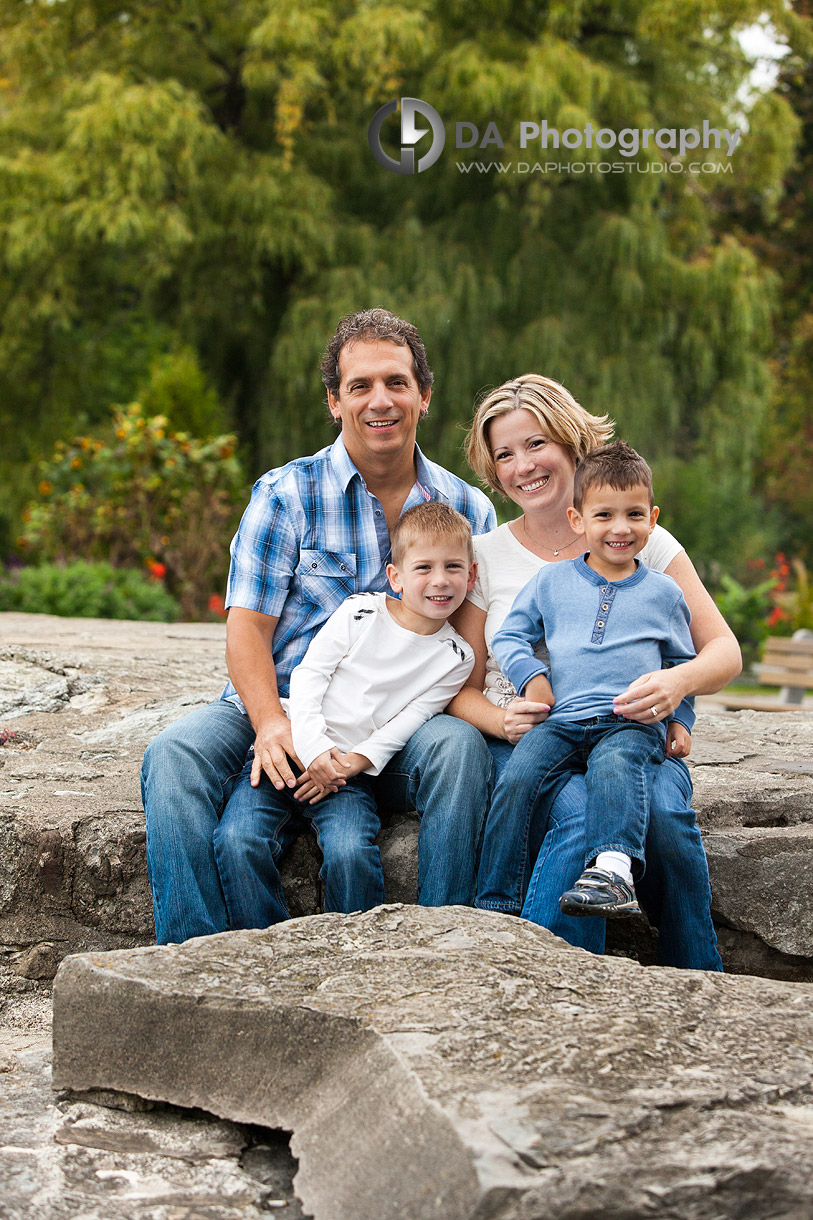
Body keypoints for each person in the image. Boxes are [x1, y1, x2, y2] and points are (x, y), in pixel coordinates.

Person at [141, 308, 496, 945]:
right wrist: (274, 724)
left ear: (424, 394)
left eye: (396, 382)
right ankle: (195, 957)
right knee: (173, 755)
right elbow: (246, 633)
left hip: (394, 723)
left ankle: (445, 947)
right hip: (281, 699)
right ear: (335, 401)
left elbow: (466, 658)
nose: (379, 400)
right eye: (359, 386)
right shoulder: (286, 495)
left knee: (460, 748)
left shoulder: (467, 510)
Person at [448, 375, 741, 969]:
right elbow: (458, 685)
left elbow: (721, 653)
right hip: (539, 734)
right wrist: (505, 718)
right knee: (583, 814)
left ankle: (698, 975)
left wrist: (676, 690)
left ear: (571, 443)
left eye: (535, 445)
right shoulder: (487, 554)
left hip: (632, 728)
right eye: (504, 454)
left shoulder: (646, 542)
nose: (522, 466)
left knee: (662, 811)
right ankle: (550, 978)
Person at [212, 502, 476, 928]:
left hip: (345, 777)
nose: (440, 580)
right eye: (423, 567)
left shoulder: (456, 656)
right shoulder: (361, 612)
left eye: (453, 567)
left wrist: (353, 764)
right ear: (396, 577)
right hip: (287, 754)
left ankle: (355, 954)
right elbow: (309, 676)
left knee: (351, 852)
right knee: (238, 841)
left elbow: (413, 717)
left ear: (472, 575)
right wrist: (314, 750)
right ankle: (265, 949)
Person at [484, 441, 696, 919]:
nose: (620, 529)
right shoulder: (551, 582)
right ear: (578, 520)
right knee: (517, 780)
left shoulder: (663, 593)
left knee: (617, 769)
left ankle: (614, 872)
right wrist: (532, 678)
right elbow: (511, 636)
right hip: (562, 719)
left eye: (634, 515)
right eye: (604, 516)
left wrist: (680, 720)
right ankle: (495, 899)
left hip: (629, 719)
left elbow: (682, 663)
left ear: (653, 517)